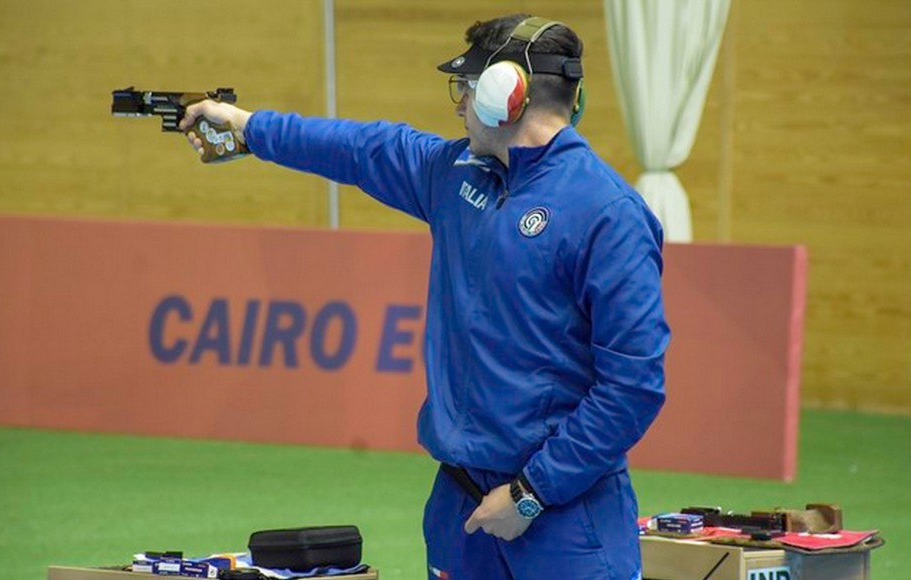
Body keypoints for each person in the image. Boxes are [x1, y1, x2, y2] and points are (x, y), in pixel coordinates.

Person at [181, 13, 669, 580]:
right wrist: (247, 127)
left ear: (504, 95)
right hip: (460, 509)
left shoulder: (609, 214)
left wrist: (532, 492)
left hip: (565, 517)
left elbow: (632, 387)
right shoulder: (457, 174)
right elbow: (363, 148)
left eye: (466, 89)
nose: (459, 105)